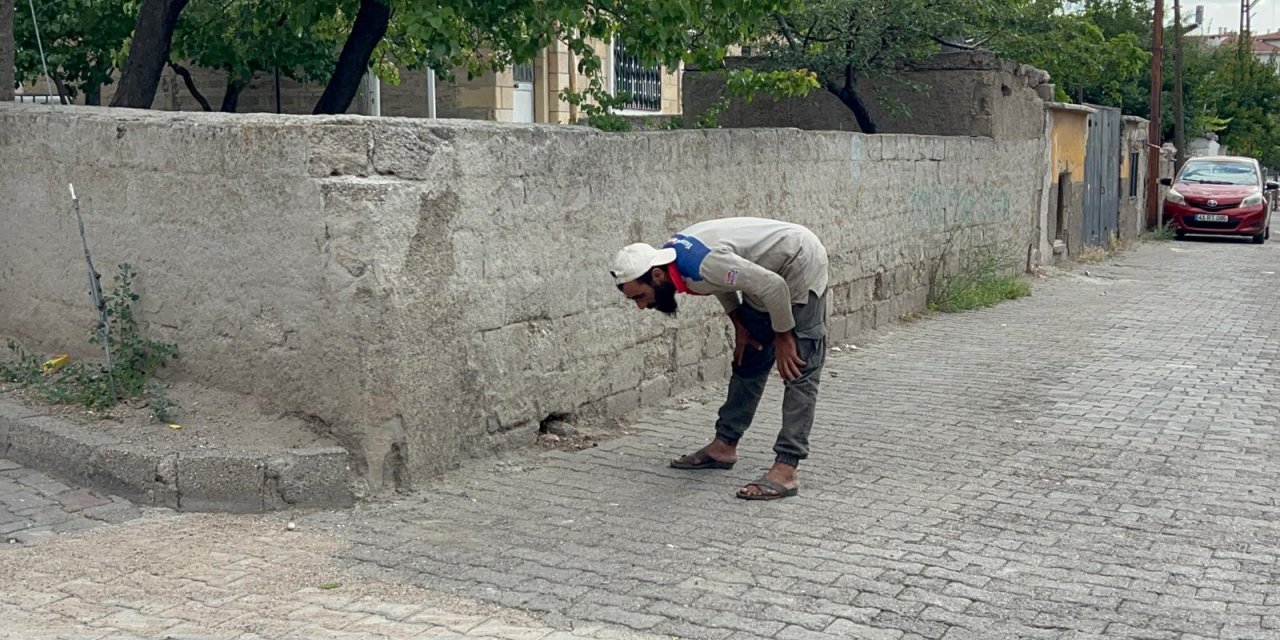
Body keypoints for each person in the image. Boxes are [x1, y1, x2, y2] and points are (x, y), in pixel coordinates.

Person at [610, 217, 830, 500]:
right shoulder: (676, 264)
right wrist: (740, 325)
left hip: (798, 262)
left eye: (640, 297)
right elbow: (720, 282)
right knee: (748, 358)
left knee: (798, 366)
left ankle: (786, 468)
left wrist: (784, 338)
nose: (642, 307)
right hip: (765, 275)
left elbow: (773, 287)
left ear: (656, 276)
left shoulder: (701, 265)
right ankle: (724, 446)